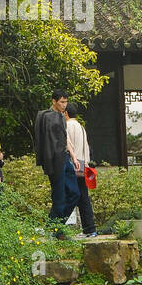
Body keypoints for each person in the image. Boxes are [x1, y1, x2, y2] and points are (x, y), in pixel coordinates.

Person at [34, 90, 73, 230]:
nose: (64, 105)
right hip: (55, 160)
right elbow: (44, 141)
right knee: (59, 197)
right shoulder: (46, 116)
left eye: (66, 102)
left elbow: (64, 139)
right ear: (54, 101)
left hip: (65, 157)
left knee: (74, 193)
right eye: (62, 102)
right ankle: (55, 228)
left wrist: (72, 156)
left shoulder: (61, 116)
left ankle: (56, 225)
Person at [62, 101, 97, 238]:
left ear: (66, 113)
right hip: (84, 165)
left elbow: (67, 146)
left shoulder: (67, 125)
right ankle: (90, 228)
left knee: (70, 195)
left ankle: (57, 226)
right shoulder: (81, 127)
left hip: (73, 164)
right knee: (83, 197)